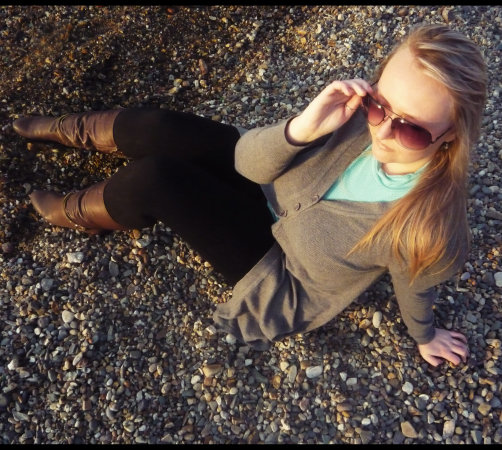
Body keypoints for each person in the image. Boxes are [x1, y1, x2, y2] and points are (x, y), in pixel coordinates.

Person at [13, 24, 486, 367]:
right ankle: (67, 129)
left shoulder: (432, 227)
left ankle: (76, 213)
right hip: (267, 186)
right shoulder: (353, 116)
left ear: (451, 137)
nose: (381, 130)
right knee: (157, 127)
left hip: (283, 266)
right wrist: (302, 129)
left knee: (157, 179)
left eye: (411, 130)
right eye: (380, 103)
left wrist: (425, 335)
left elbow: (417, 285)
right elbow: (248, 163)